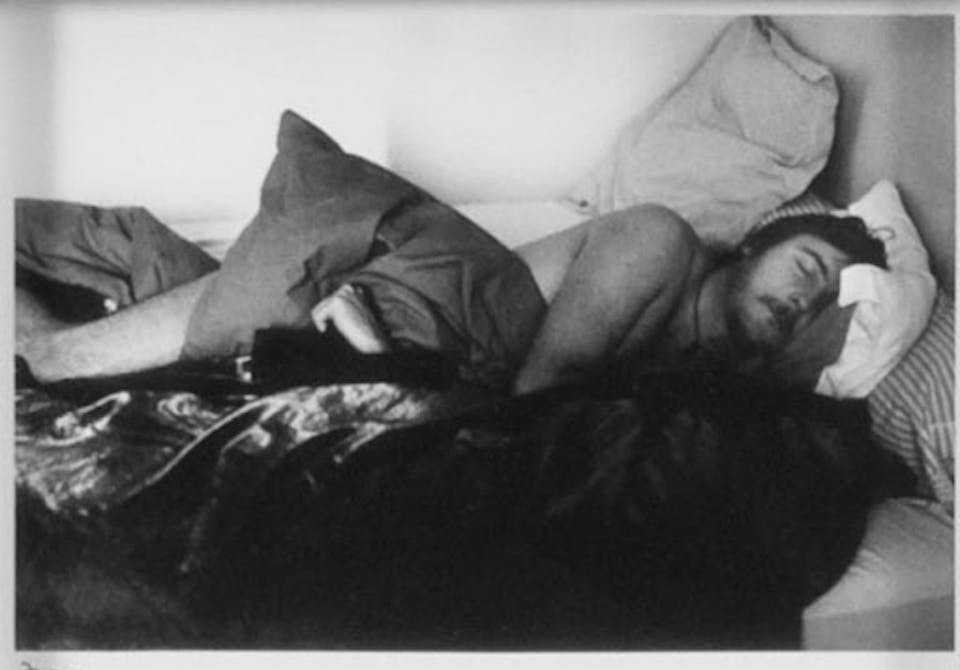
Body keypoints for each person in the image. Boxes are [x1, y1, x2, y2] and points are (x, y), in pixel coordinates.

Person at [15, 198, 886, 396]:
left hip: (408, 343)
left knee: (137, 281)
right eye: (806, 270)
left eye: (819, 311)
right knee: (60, 353)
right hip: (409, 301)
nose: (801, 303)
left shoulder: (712, 369)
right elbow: (544, 385)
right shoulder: (661, 241)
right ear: (756, 244)